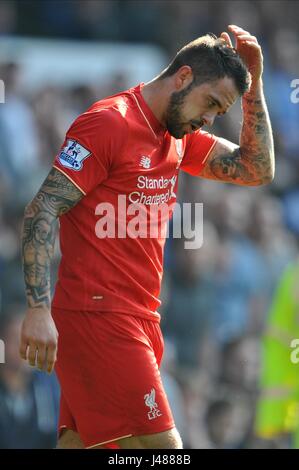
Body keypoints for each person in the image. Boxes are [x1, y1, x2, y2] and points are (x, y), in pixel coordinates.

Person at [19, 25, 274, 449]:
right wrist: (37, 310)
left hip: (140, 318)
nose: (209, 119)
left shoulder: (177, 137)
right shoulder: (108, 123)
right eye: (211, 103)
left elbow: (256, 169)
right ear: (184, 77)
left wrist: (254, 86)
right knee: (166, 451)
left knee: (91, 447)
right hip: (100, 316)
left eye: (218, 112)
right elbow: (42, 208)